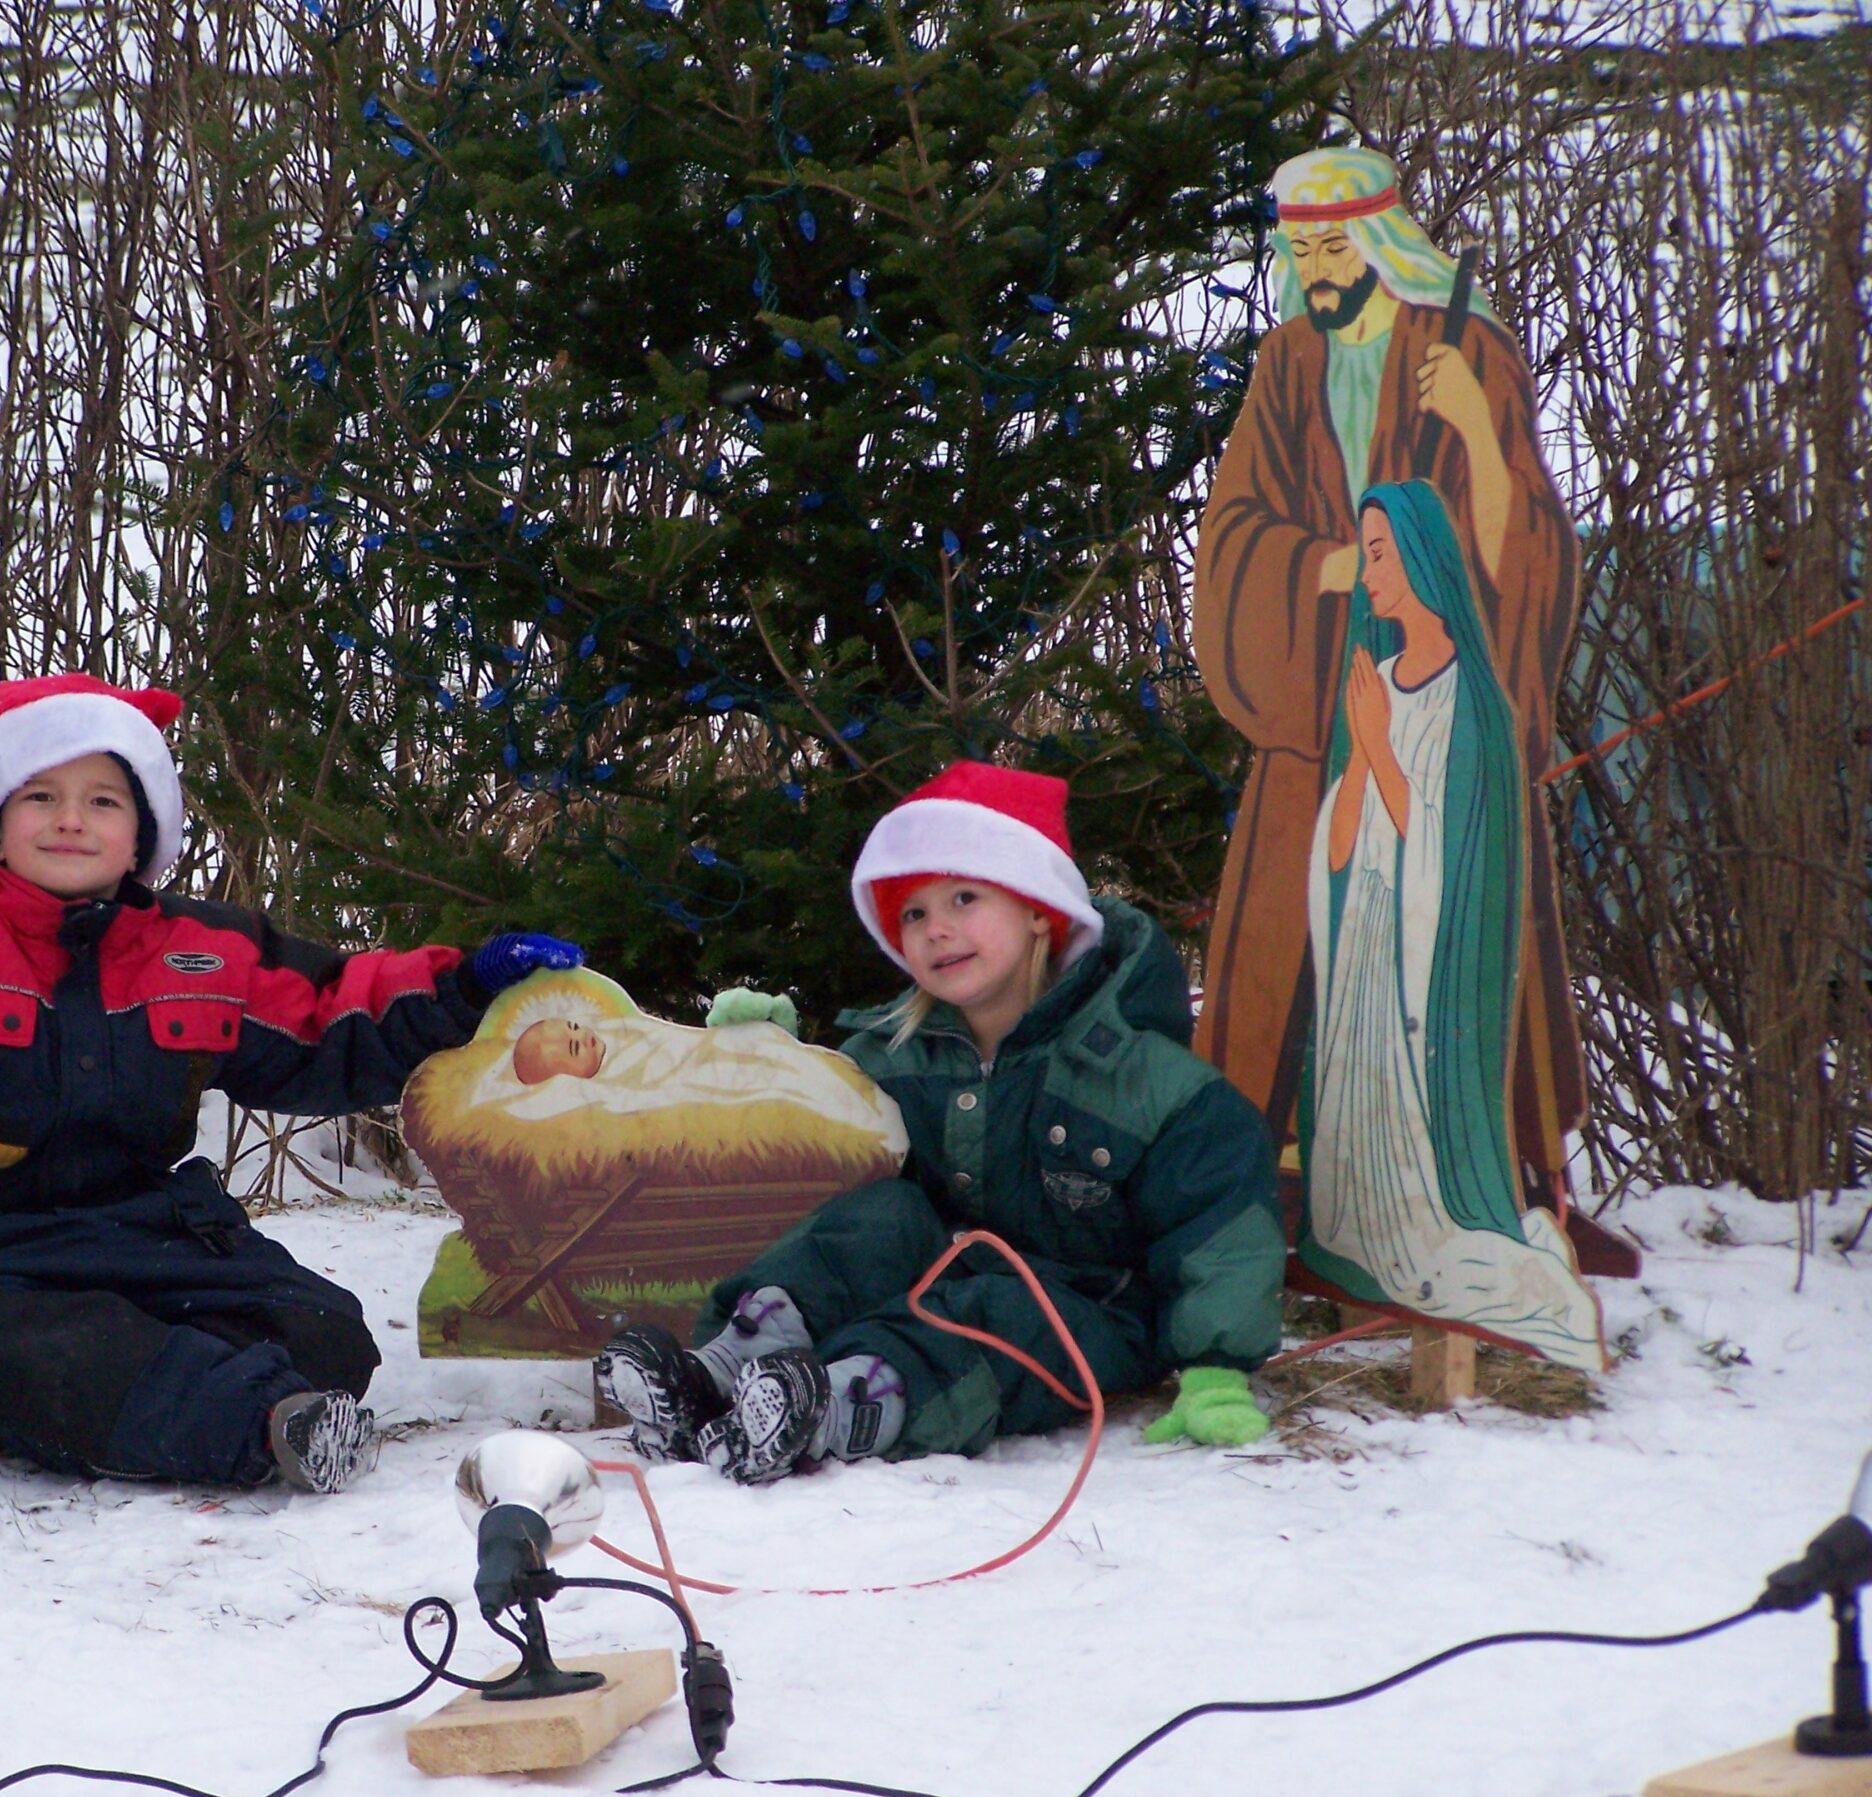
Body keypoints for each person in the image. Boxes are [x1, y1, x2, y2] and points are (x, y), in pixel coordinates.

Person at [0, 672, 579, 1492]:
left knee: (326, 1333)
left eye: (103, 800)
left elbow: (328, 1019)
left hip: (157, 1237)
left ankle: (165, 1394)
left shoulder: (202, 950)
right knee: (35, 1350)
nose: (70, 820)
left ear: (143, 833)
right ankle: (266, 1428)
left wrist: (466, 988)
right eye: (38, 797)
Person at [594, 762, 1286, 1484]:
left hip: (1091, 1313)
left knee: (989, 1310)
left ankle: (841, 1404)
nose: (937, 929)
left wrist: (1215, 1368)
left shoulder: (1139, 1076)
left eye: (963, 896)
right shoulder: (898, 1054)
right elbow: (833, 1123)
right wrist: (774, 1060)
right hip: (948, 1268)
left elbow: (1219, 1216)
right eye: (914, 914)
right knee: (880, 1217)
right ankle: (723, 1373)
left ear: (1037, 908)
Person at [1191, 146, 1584, 1188]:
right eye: (1298, 249)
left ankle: (1487, 1171)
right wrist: (1323, 564)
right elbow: (1235, 530)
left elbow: (1528, 548)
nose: (1316, 268)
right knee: (1285, 921)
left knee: (1449, 905)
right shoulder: (1287, 366)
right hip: (1311, 688)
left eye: (1333, 245)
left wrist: (1473, 432)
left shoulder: (1465, 352)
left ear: (1380, 244)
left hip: (1442, 689)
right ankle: (1247, 1178)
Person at [1300, 481, 1603, 1368]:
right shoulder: (1376, 681)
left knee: (1431, 1190)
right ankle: (1358, 1234)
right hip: (1364, 940)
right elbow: (1342, 844)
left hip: (1428, 965)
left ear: (1426, 559)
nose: (1370, 571)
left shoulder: (1470, 698)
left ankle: (1437, 1232)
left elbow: (1447, 846)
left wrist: (1379, 747)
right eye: (1365, 550)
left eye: (1383, 551)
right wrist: (1359, 753)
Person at [496, 1006, 901, 1136]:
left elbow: (675, 1041)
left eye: (574, 1028)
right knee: (761, 1076)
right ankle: (846, 1108)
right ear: (566, 1079)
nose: (583, 1036)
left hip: (703, 1054)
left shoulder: (627, 1033)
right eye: (572, 1047)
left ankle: (844, 1094)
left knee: (760, 1047)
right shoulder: (603, 1092)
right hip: (693, 1077)